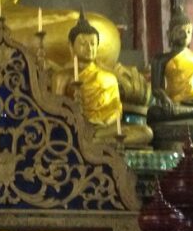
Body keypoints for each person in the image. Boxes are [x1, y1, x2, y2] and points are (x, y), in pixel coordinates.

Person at [54, 11, 152, 147]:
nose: (89, 48)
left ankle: (96, 142)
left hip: (107, 130)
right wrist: (74, 112)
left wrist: (107, 123)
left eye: (93, 44)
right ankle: (92, 142)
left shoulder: (109, 75)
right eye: (83, 44)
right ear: (71, 47)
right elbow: (55, 111)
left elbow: (116, 113)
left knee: (146, 133)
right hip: (78, 127)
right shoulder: (63, 76)